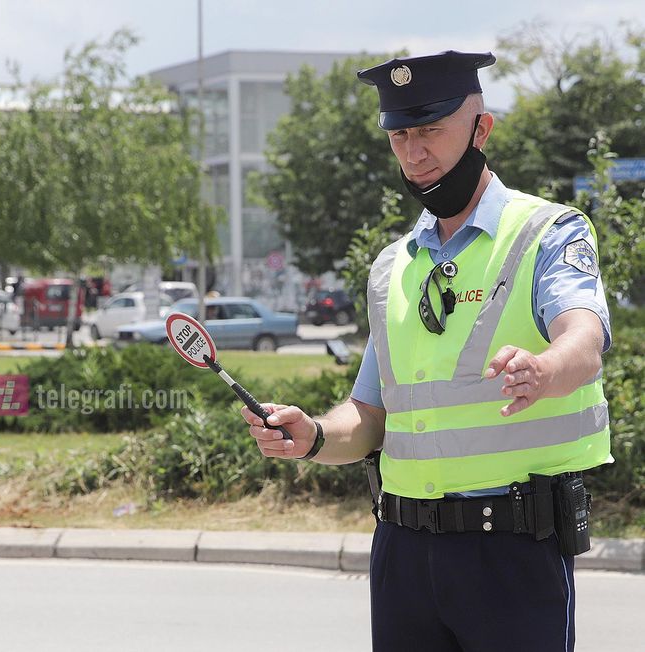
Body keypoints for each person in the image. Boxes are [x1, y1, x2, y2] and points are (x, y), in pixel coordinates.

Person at [240, 51, 611, 652]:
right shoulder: (392, 268)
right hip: (403, 553)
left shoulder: (548, 232)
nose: (415, 153)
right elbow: (370, 417)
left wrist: (544, 369)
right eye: (400, 135)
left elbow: (585, 341)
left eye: (432, 130)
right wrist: (309, 436)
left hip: (512, 550)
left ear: (481, 129)